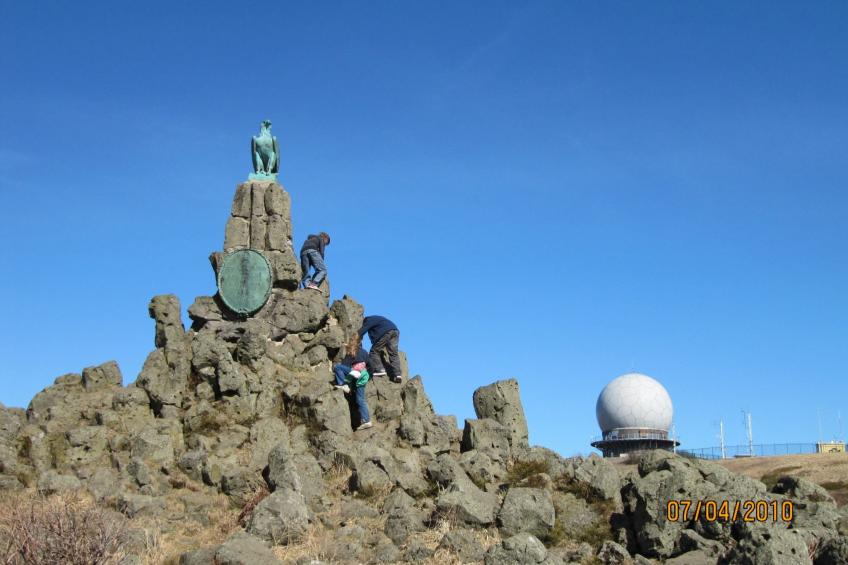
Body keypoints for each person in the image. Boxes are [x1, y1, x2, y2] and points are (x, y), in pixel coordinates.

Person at [333, 335, 372, 431]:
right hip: (363, 376)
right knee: (360, 399)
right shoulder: (365, 352)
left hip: (354, 373)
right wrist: (367, 377)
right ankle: (367, 420)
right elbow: (371, 367)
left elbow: (344, 365)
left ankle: (344, 385)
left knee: (337, 367)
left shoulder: (351, 351)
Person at [359, 315, 403, 383]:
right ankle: (397, 374)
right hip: (395, 330)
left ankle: (379, 370)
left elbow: (363, 330)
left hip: (386, 332)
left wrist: (356, 336)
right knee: (393, 354)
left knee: (374, 351)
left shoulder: (368, 320)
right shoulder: (377, 319)